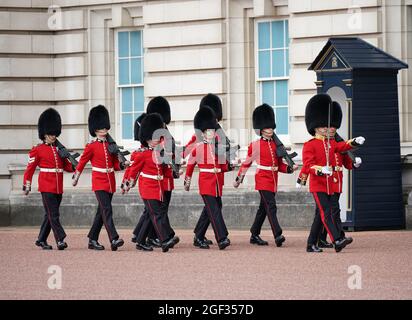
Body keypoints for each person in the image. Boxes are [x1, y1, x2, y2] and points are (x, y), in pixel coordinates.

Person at [301, 94, 365, 253]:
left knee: (325, 214)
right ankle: (337, 239)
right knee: (326, 213)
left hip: (333, 184)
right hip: (319, 185)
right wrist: (320, 169)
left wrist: (354, 142)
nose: (329, 129)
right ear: (315, 127)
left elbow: (342, 148)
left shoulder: (333, 143)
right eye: (324, 126)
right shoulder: (310, 145)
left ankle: (311, 244)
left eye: (331, 126)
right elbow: (308, 165)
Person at [234, 104, 297, 247]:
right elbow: (246, 163)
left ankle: (254, 234)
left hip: (273, 179)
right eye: (267, 128)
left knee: (263, 209)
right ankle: (278, 234)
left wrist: (290, 169)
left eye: (272, 128)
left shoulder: (276, 145)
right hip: (262, 178)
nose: (271, 130)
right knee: (271, 206)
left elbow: (279, 165)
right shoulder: (255, 145)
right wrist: (239, 179)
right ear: (261, 129)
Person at [72, 105, 125, 251]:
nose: (104, 130)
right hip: (99, 181)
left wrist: (123, 164)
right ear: (95, 129)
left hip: (110, 181)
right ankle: (113, 239)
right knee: (107, 209)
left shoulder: (110, 145)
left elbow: (115, 164)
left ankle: (92, 239)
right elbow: (82, 162)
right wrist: (76, 176)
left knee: (101, 212)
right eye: (101, 127)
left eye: (105, 127)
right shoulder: (91, 146)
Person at [125, 113, 179, 253]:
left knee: (154, 214)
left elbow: (165, 169)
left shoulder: (159, 152)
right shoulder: (142, 154)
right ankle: (164, 240)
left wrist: (174, 173)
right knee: (156, 214)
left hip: (158, 188)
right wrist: (129, 182)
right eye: (153, 138)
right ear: (147, 139)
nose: (156, 140)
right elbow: (133, 170)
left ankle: (140, 241)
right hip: (147, 188)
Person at [23, 108, 74, 250]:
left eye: (55, 133)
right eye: (51, 133)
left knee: (49, 215)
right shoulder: (37, 150)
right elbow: (30, 168)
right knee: (54, 214)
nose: (53, 136)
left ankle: (41, 240)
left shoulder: (59, 149)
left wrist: (74, 163)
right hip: (46, 186)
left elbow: (66, 167)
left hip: (58, 186)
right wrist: (26, 185)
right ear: (44, 134)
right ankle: (60, 239)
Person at [184, 106, 231, 250]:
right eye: (208, 131)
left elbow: (222, 166)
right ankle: (222, 238)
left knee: (212, 209)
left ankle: (198, 235)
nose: (211, 133)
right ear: (203, 133)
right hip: (206, 183)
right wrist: (187, 181)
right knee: (214, 210)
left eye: (212, 130)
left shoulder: (218, 147)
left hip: (216, 183)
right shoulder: (198, 148)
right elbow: (190, 165)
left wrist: (230, 166)